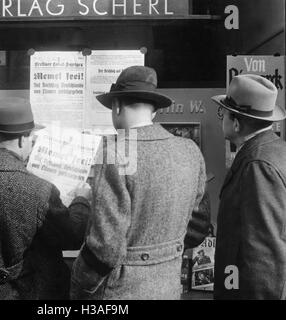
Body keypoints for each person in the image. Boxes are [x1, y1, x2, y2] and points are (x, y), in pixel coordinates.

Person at [70, 66, 206, 300]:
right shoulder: (190, 151)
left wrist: (79, 284)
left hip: (120, 292)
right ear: (153, 111)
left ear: (117, 106)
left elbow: (105, 249)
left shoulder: (114, 154)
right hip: (169, 288)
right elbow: (199, 226)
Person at [0, 98, 90, 300]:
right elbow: (72, 237)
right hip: (32, 292)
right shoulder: (39, 189)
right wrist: (81, 201)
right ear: (21, 140)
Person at [212, 74, 286, 300]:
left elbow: (264, 253)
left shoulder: (257, 164)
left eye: (222, 113)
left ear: (236, 122)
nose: (221, 118)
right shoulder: (274, 149)